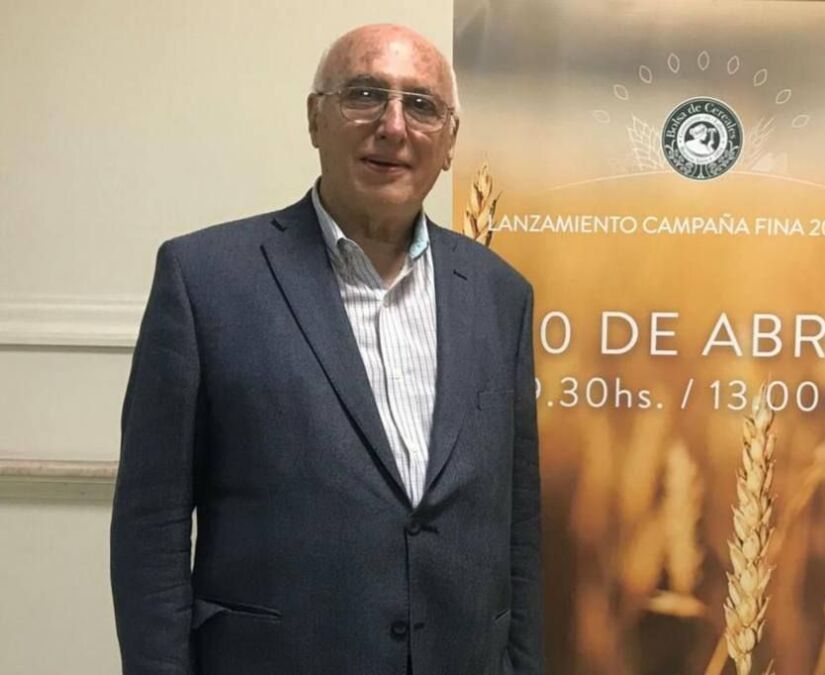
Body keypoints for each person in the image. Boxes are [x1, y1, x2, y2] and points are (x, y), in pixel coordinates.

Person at [110, 23, 543, 675]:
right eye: (365, 94)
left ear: (450, 142)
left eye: (421, 105)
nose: (393, 126)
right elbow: (151, 527)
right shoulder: (204, 280)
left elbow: (519, 527)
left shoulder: (499, 293)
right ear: (316, 118)